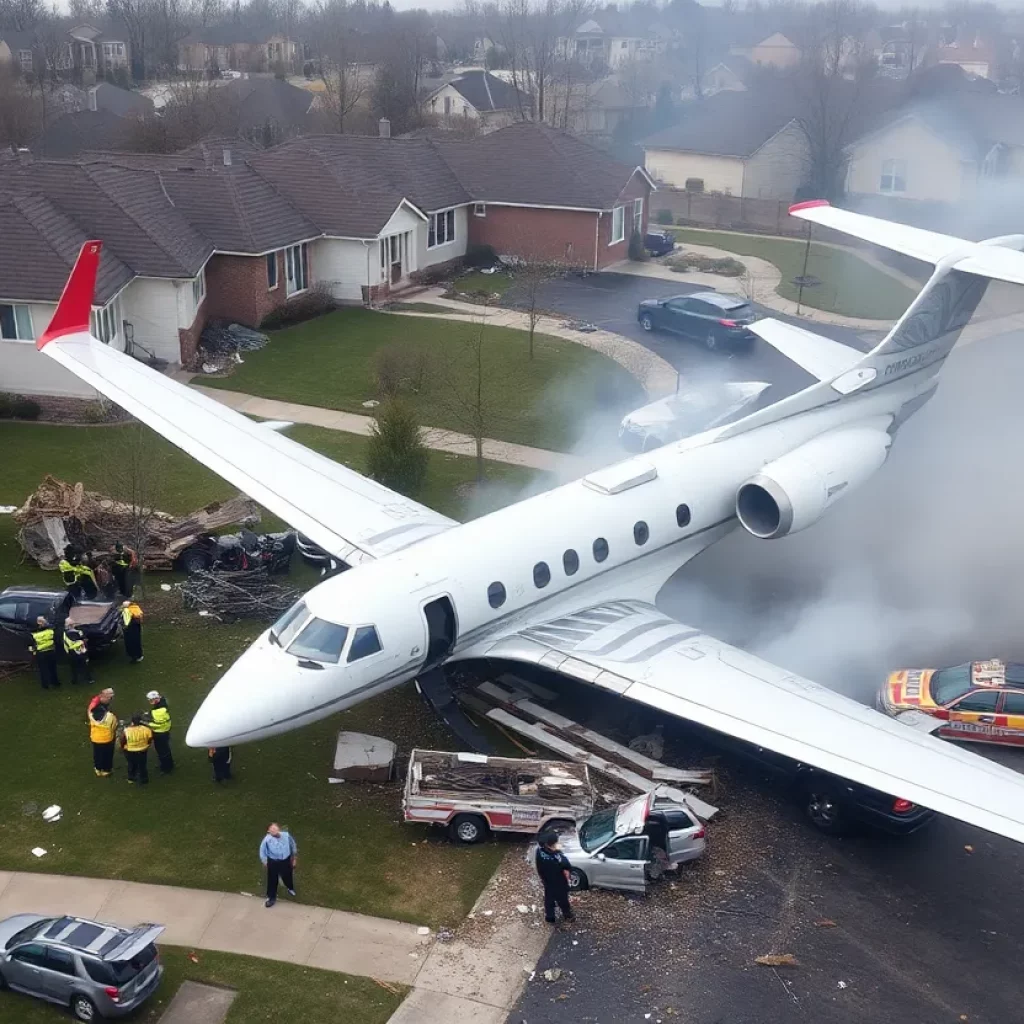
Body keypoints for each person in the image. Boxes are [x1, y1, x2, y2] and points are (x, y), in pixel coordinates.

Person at [535, 831, 575, 926]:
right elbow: (566, 865)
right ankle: (567, 915)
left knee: (549, 899)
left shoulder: (539, 852)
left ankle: (550, 917)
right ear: (549, 845)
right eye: (555, 842)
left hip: (547, 881)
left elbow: (539, 867)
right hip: (559, 882)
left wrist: (543, 878)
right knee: (563, 900)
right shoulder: (556, 858)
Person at [259, 823, 297, 907]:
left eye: (274, 828)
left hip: (286, 860)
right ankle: (271, 898)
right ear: (268, 831)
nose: (273, 830)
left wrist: (294, 858)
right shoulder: (266, 840)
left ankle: (290, 887)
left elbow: (292, 845)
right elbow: (262, 851)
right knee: (272, 880)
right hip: (273, 862)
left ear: (278, 828)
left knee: (288, 875)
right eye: (271, 829)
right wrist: (265, 862)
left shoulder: (286, 835)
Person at [144, 690, 174, 774]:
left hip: (160, 733)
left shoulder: (157, 712)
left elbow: (157, 724)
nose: (150, 702)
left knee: (162, 751)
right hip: (165, 731)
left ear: (155, 699)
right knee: (166, 749)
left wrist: (146, 723)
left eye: (150, 700)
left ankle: (166, 768)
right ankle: (169, 764)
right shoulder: (163, 704)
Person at [28, 616, 60, 690]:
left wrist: (33, 653)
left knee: (43, 670)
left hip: (41, 654)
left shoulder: (33, 634)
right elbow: (55, 640)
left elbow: (31, 645)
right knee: (52, 668)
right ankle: (55, 682)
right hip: (51, 651)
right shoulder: (50, 631)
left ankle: (45, 685)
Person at [120, 713, 153, 785]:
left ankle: (131, 778)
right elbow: (150, 739)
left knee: (131, 764)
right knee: (142, 765)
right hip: (142, 750)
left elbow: (122, 740)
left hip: (130, 751)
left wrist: (122, 747)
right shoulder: (147, 729)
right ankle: (144, 779)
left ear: (132, 722)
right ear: (140, 721)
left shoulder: (127, 730)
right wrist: (146, 745)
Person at [88, 699, 118, 776]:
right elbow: (114, 726)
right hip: (108, 739)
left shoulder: (91, 716)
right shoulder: (110, 716)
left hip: (96, 739)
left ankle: (98, 769)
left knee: (97, 754)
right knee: (108, 754)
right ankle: (106, 770)